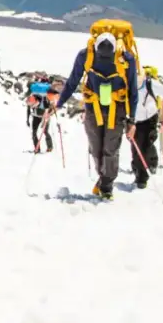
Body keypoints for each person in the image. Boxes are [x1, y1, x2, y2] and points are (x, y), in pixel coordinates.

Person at [54, 30, 138, 199]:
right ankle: (104, 179)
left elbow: (132, 90)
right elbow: (73, 81)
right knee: (97, 148)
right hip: (98, 108)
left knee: (109, 149)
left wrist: (132, 120)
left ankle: (106, 186)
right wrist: (59, 103)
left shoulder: (124, 58)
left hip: (111, 108)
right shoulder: (91, 56)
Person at [26, 80, 55, 153]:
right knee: (44, 131)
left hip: (39, 115)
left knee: (35, 132)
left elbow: (28, 109)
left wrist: (27, 119)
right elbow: (29, 108)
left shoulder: (34, 95)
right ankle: (48, 147)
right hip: (43, 115)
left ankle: (39, 148)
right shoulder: (34, 95)